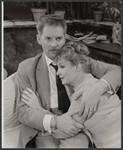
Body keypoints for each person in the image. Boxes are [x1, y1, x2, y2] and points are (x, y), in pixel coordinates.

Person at [15, 14, 121, 148]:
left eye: (59, 38)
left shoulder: (76, 59)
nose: (54, 44)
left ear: (65, 37)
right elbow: (22, 111)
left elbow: (116, 71)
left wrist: (96, 89)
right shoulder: (27, 68)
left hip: (80, 126)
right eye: (48, 38)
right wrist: (54, 121)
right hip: (46, 128)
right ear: (39, 39)